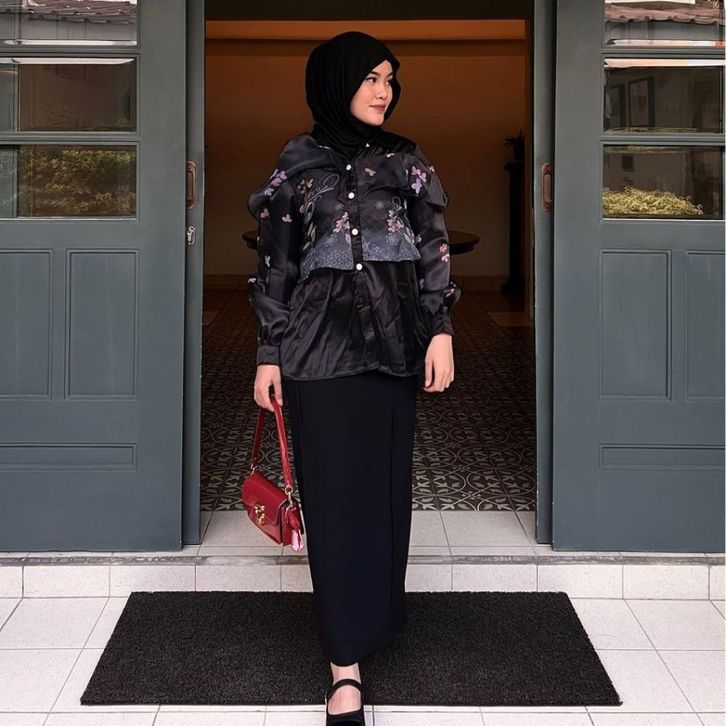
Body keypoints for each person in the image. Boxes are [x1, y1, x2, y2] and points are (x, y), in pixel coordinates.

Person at [247, 31, 461, 725]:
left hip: (393, 350)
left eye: (390, 79)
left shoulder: (407, 163)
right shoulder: (298, 165)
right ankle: (344, 665)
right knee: (333, 502)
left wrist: (441, 331)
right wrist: (269, 353)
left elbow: (433, 251)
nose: (383, 91)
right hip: (316, 355)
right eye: (370, 77)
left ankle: (375, 619)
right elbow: (275, 265)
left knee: (384, 494)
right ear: (336, 82)